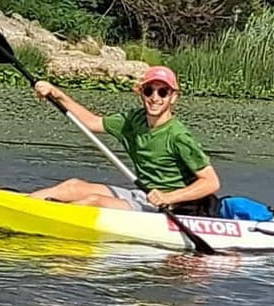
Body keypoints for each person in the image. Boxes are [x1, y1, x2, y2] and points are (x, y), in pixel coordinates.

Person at [29, 66, 220, 214]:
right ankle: (21, 203)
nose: (155, 98)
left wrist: (168, 197)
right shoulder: (133, 120)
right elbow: (91, 122)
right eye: (149, 91)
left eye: (163, 92)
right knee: (73, 186)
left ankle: (48, 217)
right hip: (142, 195)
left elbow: (211, 182)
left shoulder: (179, 136)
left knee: (93, 201)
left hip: (170, 208)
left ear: (173, 97)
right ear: (141, 93)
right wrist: (57, 93)